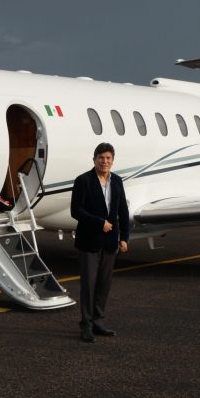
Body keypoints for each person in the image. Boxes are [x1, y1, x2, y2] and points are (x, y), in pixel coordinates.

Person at [71, 142, 130, 343]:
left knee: (104, 285)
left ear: (112, 161)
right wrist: (99, 223)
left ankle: (98, 321)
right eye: (101, 158)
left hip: (110, 242)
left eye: (108, 158)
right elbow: (76, 211)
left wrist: (124, 238)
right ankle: (86, 325)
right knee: (88, 285)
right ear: (94, 159)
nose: (104, 161)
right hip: (89, 241)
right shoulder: (83, 180)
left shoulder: (117, 181)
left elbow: (122, 211)